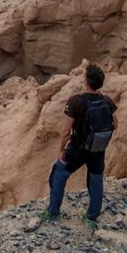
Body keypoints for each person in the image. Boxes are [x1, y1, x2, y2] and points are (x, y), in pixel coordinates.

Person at [39, 63, 116, 229]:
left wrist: (62, 150)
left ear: (86, 81)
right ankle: (91, 218)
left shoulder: (76, 101)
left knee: (59, 172)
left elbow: (66, 131)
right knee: (96, 179)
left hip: (78, 148)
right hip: (98, 149)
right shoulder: (107, 101)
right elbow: (115, 124)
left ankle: (53, 212)